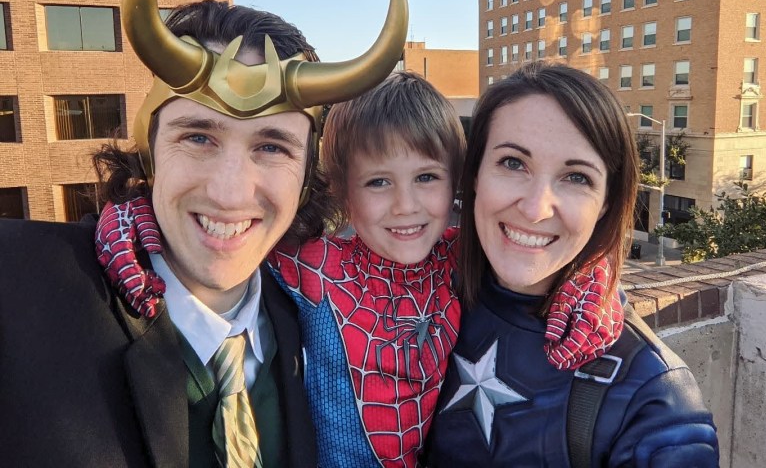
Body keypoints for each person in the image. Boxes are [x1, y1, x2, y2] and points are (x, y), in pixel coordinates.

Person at [0, 0, 408, 468]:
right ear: (149, 146)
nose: (231, 191)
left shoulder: (316, 320)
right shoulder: (20, 289)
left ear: (307, 172)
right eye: (198, 136)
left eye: (272, 146)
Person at [95, 72, 629, 467]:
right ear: (340, 191)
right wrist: (137, 218)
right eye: (378, 182)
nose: (406, 206)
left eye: (427, 177)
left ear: (458, 180)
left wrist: (592, 276)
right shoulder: (311, 262)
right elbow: (232, 232)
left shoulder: (458, 256)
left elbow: (539, 247)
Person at [425, 62, 720, 467]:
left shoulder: (655, 401)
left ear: (605, 206)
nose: (534, 208)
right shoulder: (420, 297)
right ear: (474, 174)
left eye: (577, 177)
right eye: (513, 163)